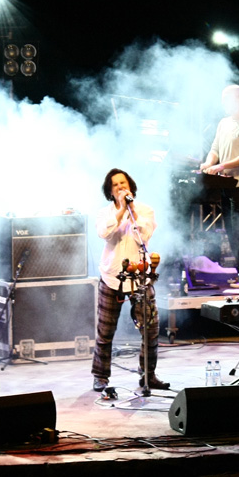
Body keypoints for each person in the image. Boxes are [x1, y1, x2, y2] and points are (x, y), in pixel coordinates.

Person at [93, 168, 166, 392]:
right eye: (115, 185)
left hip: (140, 277)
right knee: (105, 331)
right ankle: (100, 376)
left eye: (123, 183)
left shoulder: (145, 211)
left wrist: (131, 210)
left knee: (150, 329)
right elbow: (104, 234)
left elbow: (143, 236)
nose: (120, 187)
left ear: (130, 186)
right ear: (110, 191)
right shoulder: (105, 213)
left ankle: (148, 375)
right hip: (112, 276)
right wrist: (121, 210)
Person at [201, 84, 239, 274]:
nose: (223, 104)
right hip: (225, 184)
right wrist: (208, 163)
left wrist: (221, 166)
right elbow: (215, 149)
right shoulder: (224, 123)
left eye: (226, 99)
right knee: (230, 231)